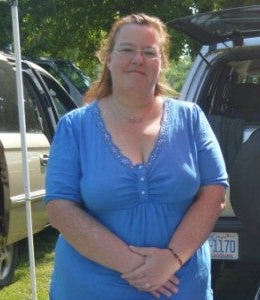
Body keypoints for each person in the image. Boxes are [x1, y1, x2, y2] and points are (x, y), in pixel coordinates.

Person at [44, 13, 228, 299]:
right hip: (90, 288)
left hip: (180, 285)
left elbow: (214, 192)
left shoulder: (191, 119)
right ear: (108, 58)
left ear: (162, 62)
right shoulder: (74, 126)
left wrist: (172, 259)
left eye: (149, 52)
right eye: (127, 50)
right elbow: (59, 209)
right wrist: (138, 268)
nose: (137, 59)